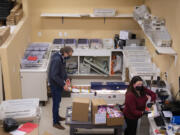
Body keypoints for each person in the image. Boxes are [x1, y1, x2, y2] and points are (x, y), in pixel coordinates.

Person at [48, 46, 73, 130]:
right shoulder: (56, 60)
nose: (70, 55)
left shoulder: (61, 57)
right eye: (70, 54)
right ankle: (55, 122)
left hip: (58, 83)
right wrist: (63, 84)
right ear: (65, 53)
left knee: (58, 101)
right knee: (56, 103)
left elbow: (62, 70)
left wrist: (67, 78)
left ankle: (57, 117)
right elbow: (54, 75)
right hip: (55, 85)